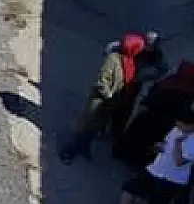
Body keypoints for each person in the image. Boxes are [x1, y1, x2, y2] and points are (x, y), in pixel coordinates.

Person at [94, 107, 194, 204]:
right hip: (155, 169)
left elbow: (179, 161)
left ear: (191, 126)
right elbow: (165, 145)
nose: (178, 126)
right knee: (129, 189)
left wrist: (178, 143)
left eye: (181, 124)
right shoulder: (176, 130)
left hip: (172, 180)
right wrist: (158, 147)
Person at [57, 33, 145, 164]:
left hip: (110, 105)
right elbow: (101, 82)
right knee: (85, 127)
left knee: (95, 129)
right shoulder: (113, 60)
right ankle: (68, 152)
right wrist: (109, 96)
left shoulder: (129, 62)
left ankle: (85, 147)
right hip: (100, 102)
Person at [108, 31, 168, 141]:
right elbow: (112, 46)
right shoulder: (136, 45)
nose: (150, 45)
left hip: (133, 84)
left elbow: (163, 70)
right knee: (111, 103)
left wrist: (144, 77)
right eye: (149, 42)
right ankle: (104, 128)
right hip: (121, 78)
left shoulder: (157, 55)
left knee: (125, 107)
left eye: (153, 43)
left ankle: (115, 131)